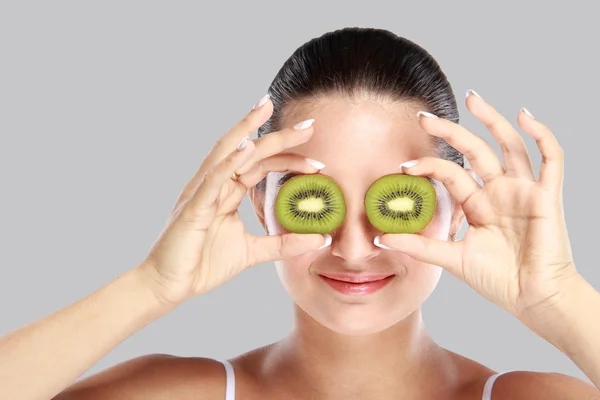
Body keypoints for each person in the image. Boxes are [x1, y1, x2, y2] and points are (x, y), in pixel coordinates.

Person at [1, 27, 599, 400]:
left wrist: (557, 298)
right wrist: (151, 286)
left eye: (397, 201)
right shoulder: (174, 393)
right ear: (261, 201)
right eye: (314, 199)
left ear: (461, 210)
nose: (355, 247)